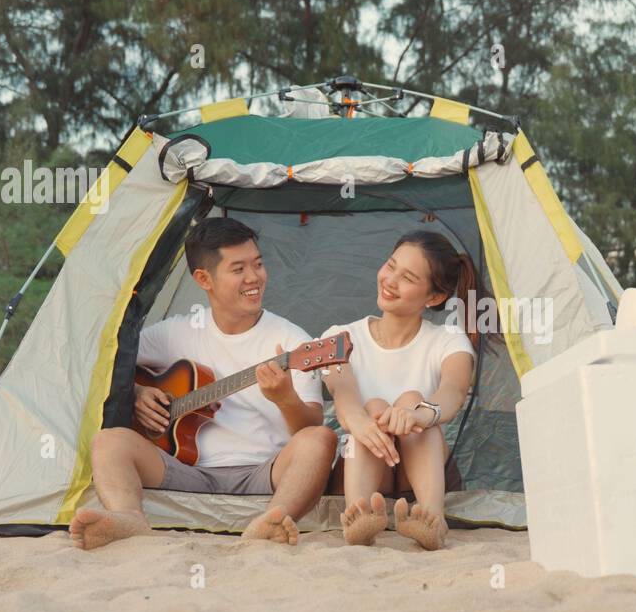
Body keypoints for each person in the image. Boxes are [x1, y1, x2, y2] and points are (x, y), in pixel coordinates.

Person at [69, 217, 337, 550]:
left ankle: (272, 520)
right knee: (109, 441)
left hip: (264, 471)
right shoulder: (176, 332)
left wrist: (285, 399)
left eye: (258, 264)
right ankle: (129, 518)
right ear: (203, 279)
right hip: (185, 469)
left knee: (320, 439)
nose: (254, 278)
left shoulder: (292, 341)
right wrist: (136, 392)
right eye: (238, 269)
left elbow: (309, 426)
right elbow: (107, 359)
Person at [321, 231, 477, 550]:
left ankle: (433, 518)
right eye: (390, 266)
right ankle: (359, 513)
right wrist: (366, 423)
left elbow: (453, 391)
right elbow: (344, 394)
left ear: (432, 298)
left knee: (413, 403)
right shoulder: (340, 337)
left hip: (418, 476)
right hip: (364, 467)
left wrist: (416, 413)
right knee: (375, 406)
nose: (389, 280)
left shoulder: (449, 340)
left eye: (406, 277)